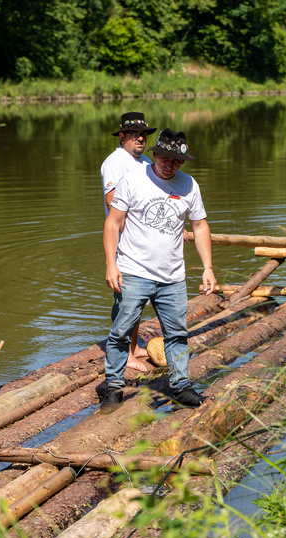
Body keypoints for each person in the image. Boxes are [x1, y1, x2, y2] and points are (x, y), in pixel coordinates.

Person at [101, 128, 216, 413]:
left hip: (172, 276)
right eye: (165, 158)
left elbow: (199, 226)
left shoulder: (189, 186)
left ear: (182, 162)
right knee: (121, 332)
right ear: (155, 154)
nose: (170, 164)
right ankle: (113, 389)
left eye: (176, 161)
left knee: (177, 334)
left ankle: (180, 386)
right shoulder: (133, 179)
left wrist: (208, 268)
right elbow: (113, 223)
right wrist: (111, 264)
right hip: (133, 270)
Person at [100, 112, 157, 372]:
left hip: (146, 244)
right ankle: (125, 356)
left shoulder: (145, 163)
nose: (140, 139)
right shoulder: (115, 162)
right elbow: (114, 204)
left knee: (138, 300)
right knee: (125, 303)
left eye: (143, 134)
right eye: (134, 134)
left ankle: (133, 348)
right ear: (122, 136)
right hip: (125, 244)